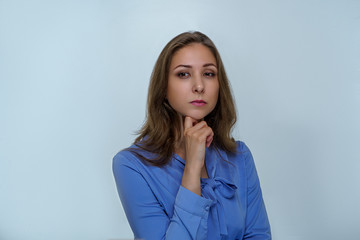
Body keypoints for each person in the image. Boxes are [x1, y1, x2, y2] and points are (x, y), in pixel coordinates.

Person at [113, 31, 271, 240]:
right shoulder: (132, 165)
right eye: (183, 74)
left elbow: (258, 235)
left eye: (209, 73)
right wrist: (193, 168)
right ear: (163, 88)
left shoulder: (240, 156)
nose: (199, 86)